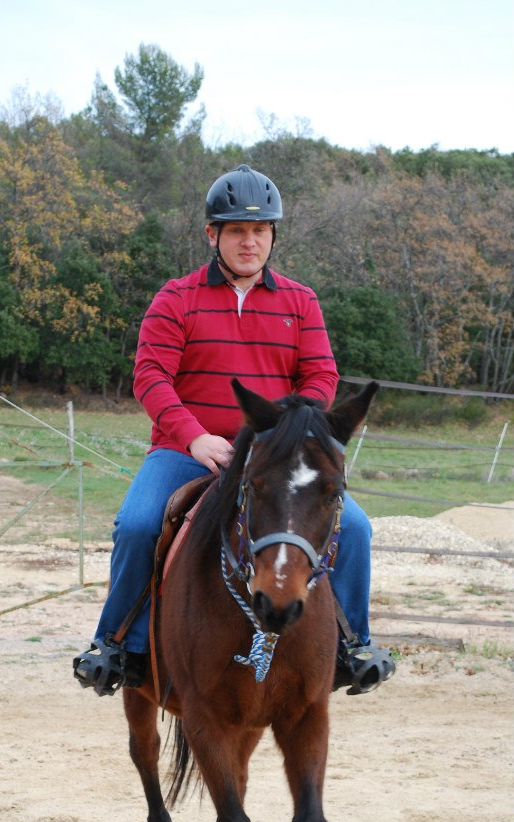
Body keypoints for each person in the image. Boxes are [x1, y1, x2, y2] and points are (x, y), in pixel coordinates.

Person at [74, 164, 395, 696]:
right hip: (187, 450)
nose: (250, 242)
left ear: (273, 235)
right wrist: (194, 436)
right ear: (212, 235)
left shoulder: (301, 301)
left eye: (260, 230)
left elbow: (321, 376)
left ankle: (353, 644)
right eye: (238, 231)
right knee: (137, 524)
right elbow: (150, 376)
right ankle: (117, 645)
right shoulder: (176, 298)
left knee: (355, 528)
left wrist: (288, 433)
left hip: (274, 454)